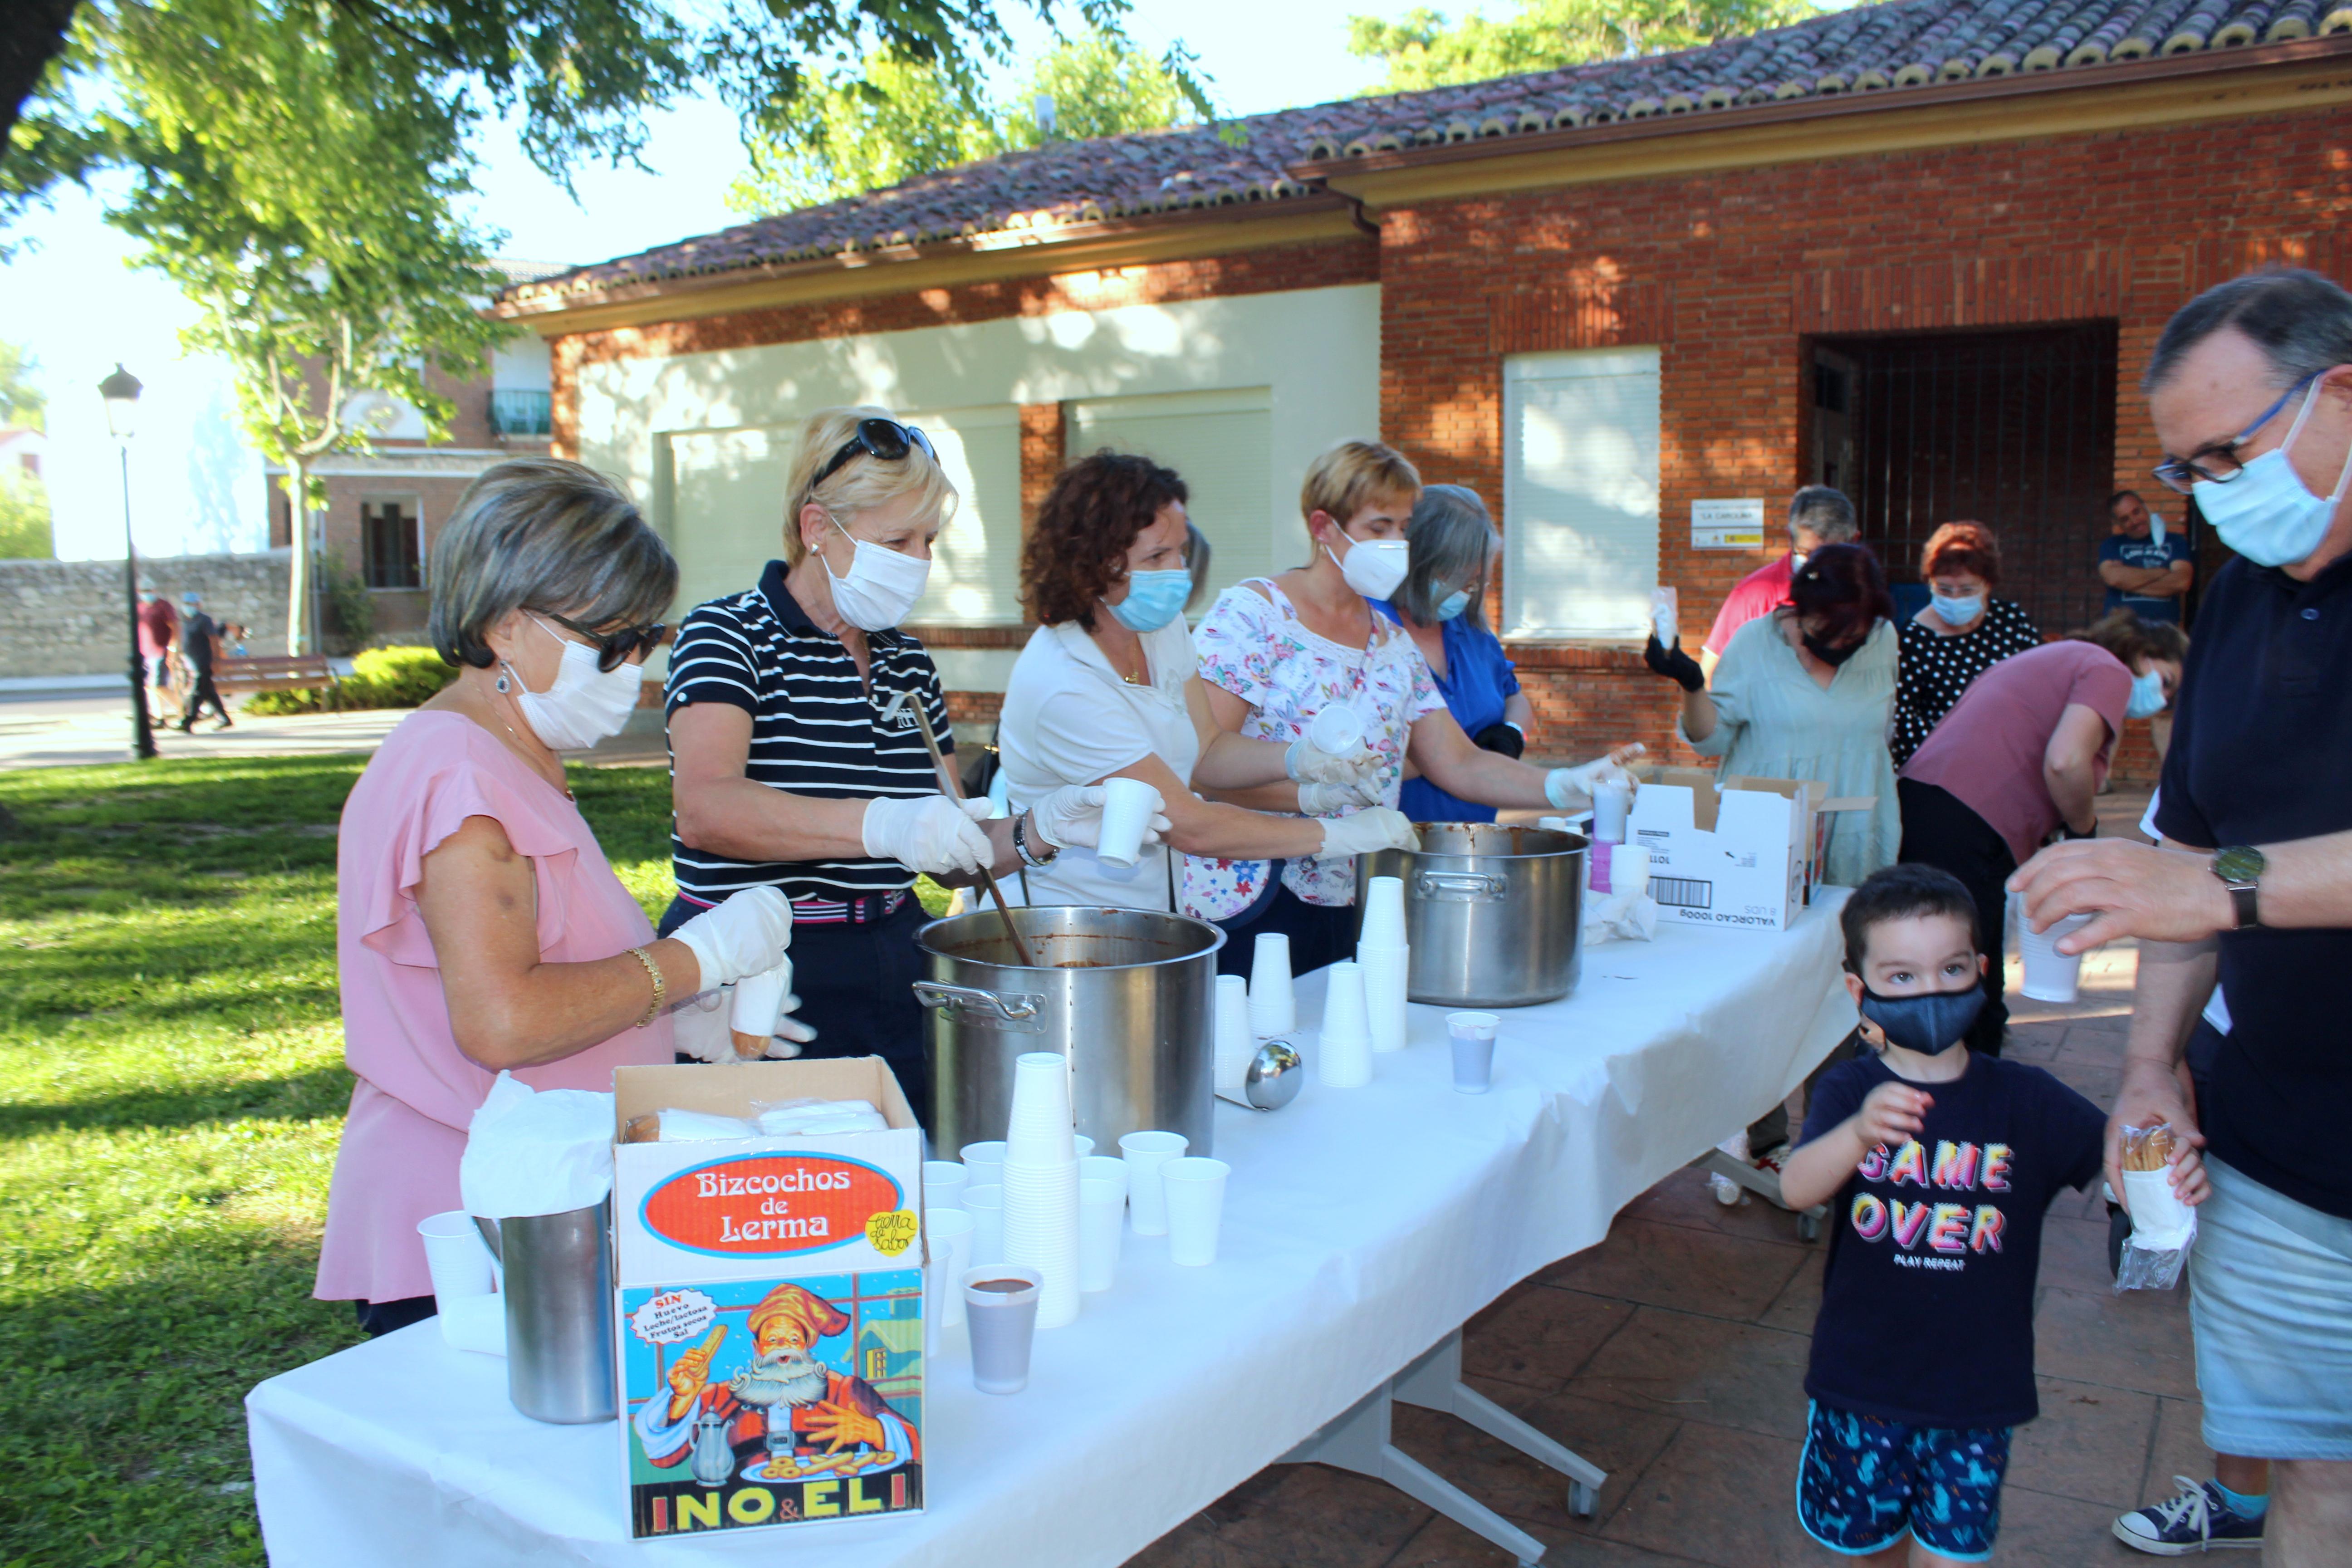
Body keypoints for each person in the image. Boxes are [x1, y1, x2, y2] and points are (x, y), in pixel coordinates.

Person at [2010, 268, 2352, 1564]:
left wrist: (2211, 888)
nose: (2208, 492)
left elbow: (2207, 880)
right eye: (2187, 466)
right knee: (2320, 1472)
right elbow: (2188, 845)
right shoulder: (2250, 591)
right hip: (2281, 1141)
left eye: (2229, 453)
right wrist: (2151, 1063)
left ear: (2343, 395)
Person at [318, 457, 796, 1337]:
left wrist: (665, 1022)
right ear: (506, 626)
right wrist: (695, 962)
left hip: (524, 1194)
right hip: (472, 1218)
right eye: (609, 644)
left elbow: (531, 967)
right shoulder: (460, 781)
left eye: (645, 642)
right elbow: (502, 1023)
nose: (633, 669)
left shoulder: (506, 754)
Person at [663, 407, 1122, 1124]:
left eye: (930, 540)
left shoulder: (907, 661)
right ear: (818, 529)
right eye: (897, 539)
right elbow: (708, 810)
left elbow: (946, 854)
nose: (920, 561)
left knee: (907, 1191)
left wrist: (1041, 830)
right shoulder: (729, 633)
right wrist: (885, 824)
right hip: (765, 973)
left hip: (894, 957)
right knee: (794, 1199)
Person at [1780, 863, 2205, 1566]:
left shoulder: (2026, 1099)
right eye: (1903, 978)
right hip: (1863, 1383)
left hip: (1979, 1390)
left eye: (1950, 969)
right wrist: (1857, 1133)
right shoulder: (1851, 1088)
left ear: (1980, 971)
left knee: (1954, 1553)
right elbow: (1797, 1187)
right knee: (1868, 1550)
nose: (1932, 992)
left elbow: (2118, 1166)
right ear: (1861, 990)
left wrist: (2163, 1175)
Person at [1190, 439, 1641, 976]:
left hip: (1353, 892)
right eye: (1379, 527)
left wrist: (1564, 786)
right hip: (1251, 892)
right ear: (1322, 527)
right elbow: (1204, 765)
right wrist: (1317, 794)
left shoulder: (1391, 644)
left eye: (1403, 528)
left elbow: (1459, 762)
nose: (1396, 543)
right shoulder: (1254, 616)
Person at [997, 451, 1415, 913]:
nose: (1179, 572)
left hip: (1154, 911)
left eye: (1181, 551)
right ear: (1091, 563)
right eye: (1157, 557)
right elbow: (1189, 823)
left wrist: (1303, 765)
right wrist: (1339, 834)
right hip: (1068, 919)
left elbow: (1209, 750)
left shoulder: (1159, 629)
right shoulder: (1065, 683)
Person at [1896, 610, 2184, 1057]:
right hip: (1965, 822)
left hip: (1935, 809)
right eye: (2165, 681)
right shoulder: (2107, 668)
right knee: (1961, 974)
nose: (2161, 699)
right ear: (2144, 652)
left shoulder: (2062, 658)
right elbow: (2066, 761)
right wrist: (2083, 831)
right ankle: (1962, 1101)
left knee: (1963, 964)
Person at [1647, 542, 1900, 890]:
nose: (1842, 644)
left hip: (1856, 832)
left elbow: (1883, 727)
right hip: (1768, 833)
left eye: (1854, 635)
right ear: (1802, 609)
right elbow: (1710, 742)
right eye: (1828, 631)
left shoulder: (1882, 639)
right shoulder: (1754, 642)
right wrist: (1692, 686)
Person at [1373, 485, 1537, 824]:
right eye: (1457, 579)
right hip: (1383, 846)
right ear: (1418, 563)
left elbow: (1515, 698)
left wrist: (1511, 734)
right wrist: (1450, 758)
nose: (1466, 593)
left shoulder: (1470, 630)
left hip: (1470, 837)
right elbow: (1348, 766)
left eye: (1474, 583)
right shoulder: (1367, 629)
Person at [1889, 521, 2040, 767]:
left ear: (1988, 585)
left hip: (2013, 759)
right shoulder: (1912, 640)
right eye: (1945, 589)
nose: (1955, 598)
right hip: (1945, 768)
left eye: (1968, 589)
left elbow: (2039, 686)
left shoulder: (2011, 621)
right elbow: (1904, 720)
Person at [1700, 486, 1857, 679]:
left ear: (1854, 542)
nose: (1817, 567)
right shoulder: (1755, 595)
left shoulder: (1865, 596)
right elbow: (1710, 676)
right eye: (1807, 554)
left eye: (1830, 557)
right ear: (1789, 539)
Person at [2099, 489, 2195, 624]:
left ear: (2145, 508)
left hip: (2164, 630)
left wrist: (2128, 583)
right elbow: (2114, 579)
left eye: (2136, 512)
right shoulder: (2112, 545)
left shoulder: (2175, 542)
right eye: (2125, 519)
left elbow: (2182, 582)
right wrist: (2162, 573)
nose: (2135, 521)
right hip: (2122, 629)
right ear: (2119, 524)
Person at [176, 591, 231, 732]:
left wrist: (217, 659)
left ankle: (187, 721)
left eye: (192, 604)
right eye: (187, 604)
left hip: (204, 662)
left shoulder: (204, 620)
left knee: (197, 692)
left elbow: (214, 640)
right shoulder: (186, 621)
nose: (189, 607)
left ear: (198, 605)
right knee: (208, 692)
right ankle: (225, 718)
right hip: (192, 662)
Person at [136, 583, 178, 701]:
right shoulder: (141, 608)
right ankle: (159, 717)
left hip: (161, 651)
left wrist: (173, 649)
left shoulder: (163, 606)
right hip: (147, 652)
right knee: (150, 687)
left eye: (148, 590)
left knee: (159, 686)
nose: (146, 594)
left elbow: (175, 628)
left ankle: (185, 710)